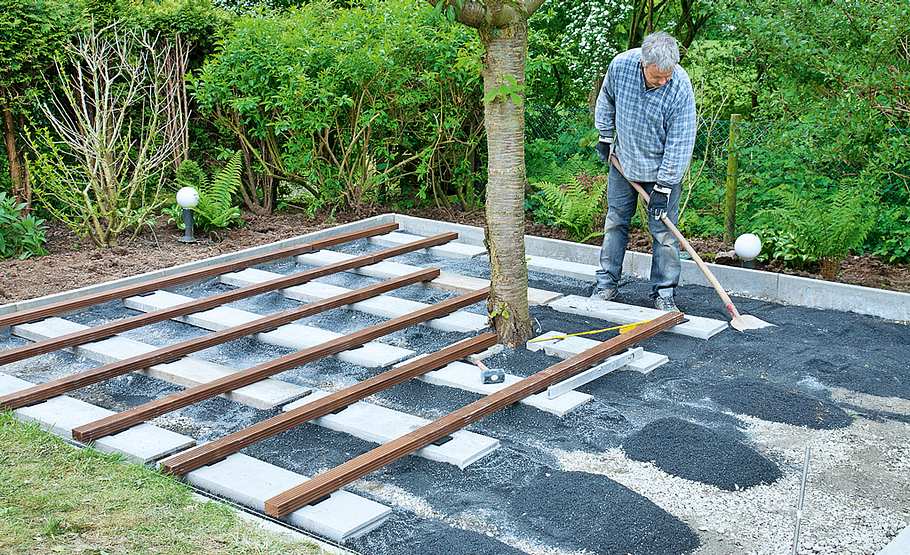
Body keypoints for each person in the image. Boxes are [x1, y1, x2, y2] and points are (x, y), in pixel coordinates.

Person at [591, 31, 696, 312]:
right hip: (624, 163)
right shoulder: (621, 66)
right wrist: (604, 135)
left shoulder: (680, 86)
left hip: (662, 170)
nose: (664, 81)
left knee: (664, 234)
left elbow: (681, 142)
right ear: (643, 63)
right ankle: (606, 284)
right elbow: (607, 99)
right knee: (615, 222)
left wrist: (664, 187)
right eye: (657, 76)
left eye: (667, 75)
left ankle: (664, 292)